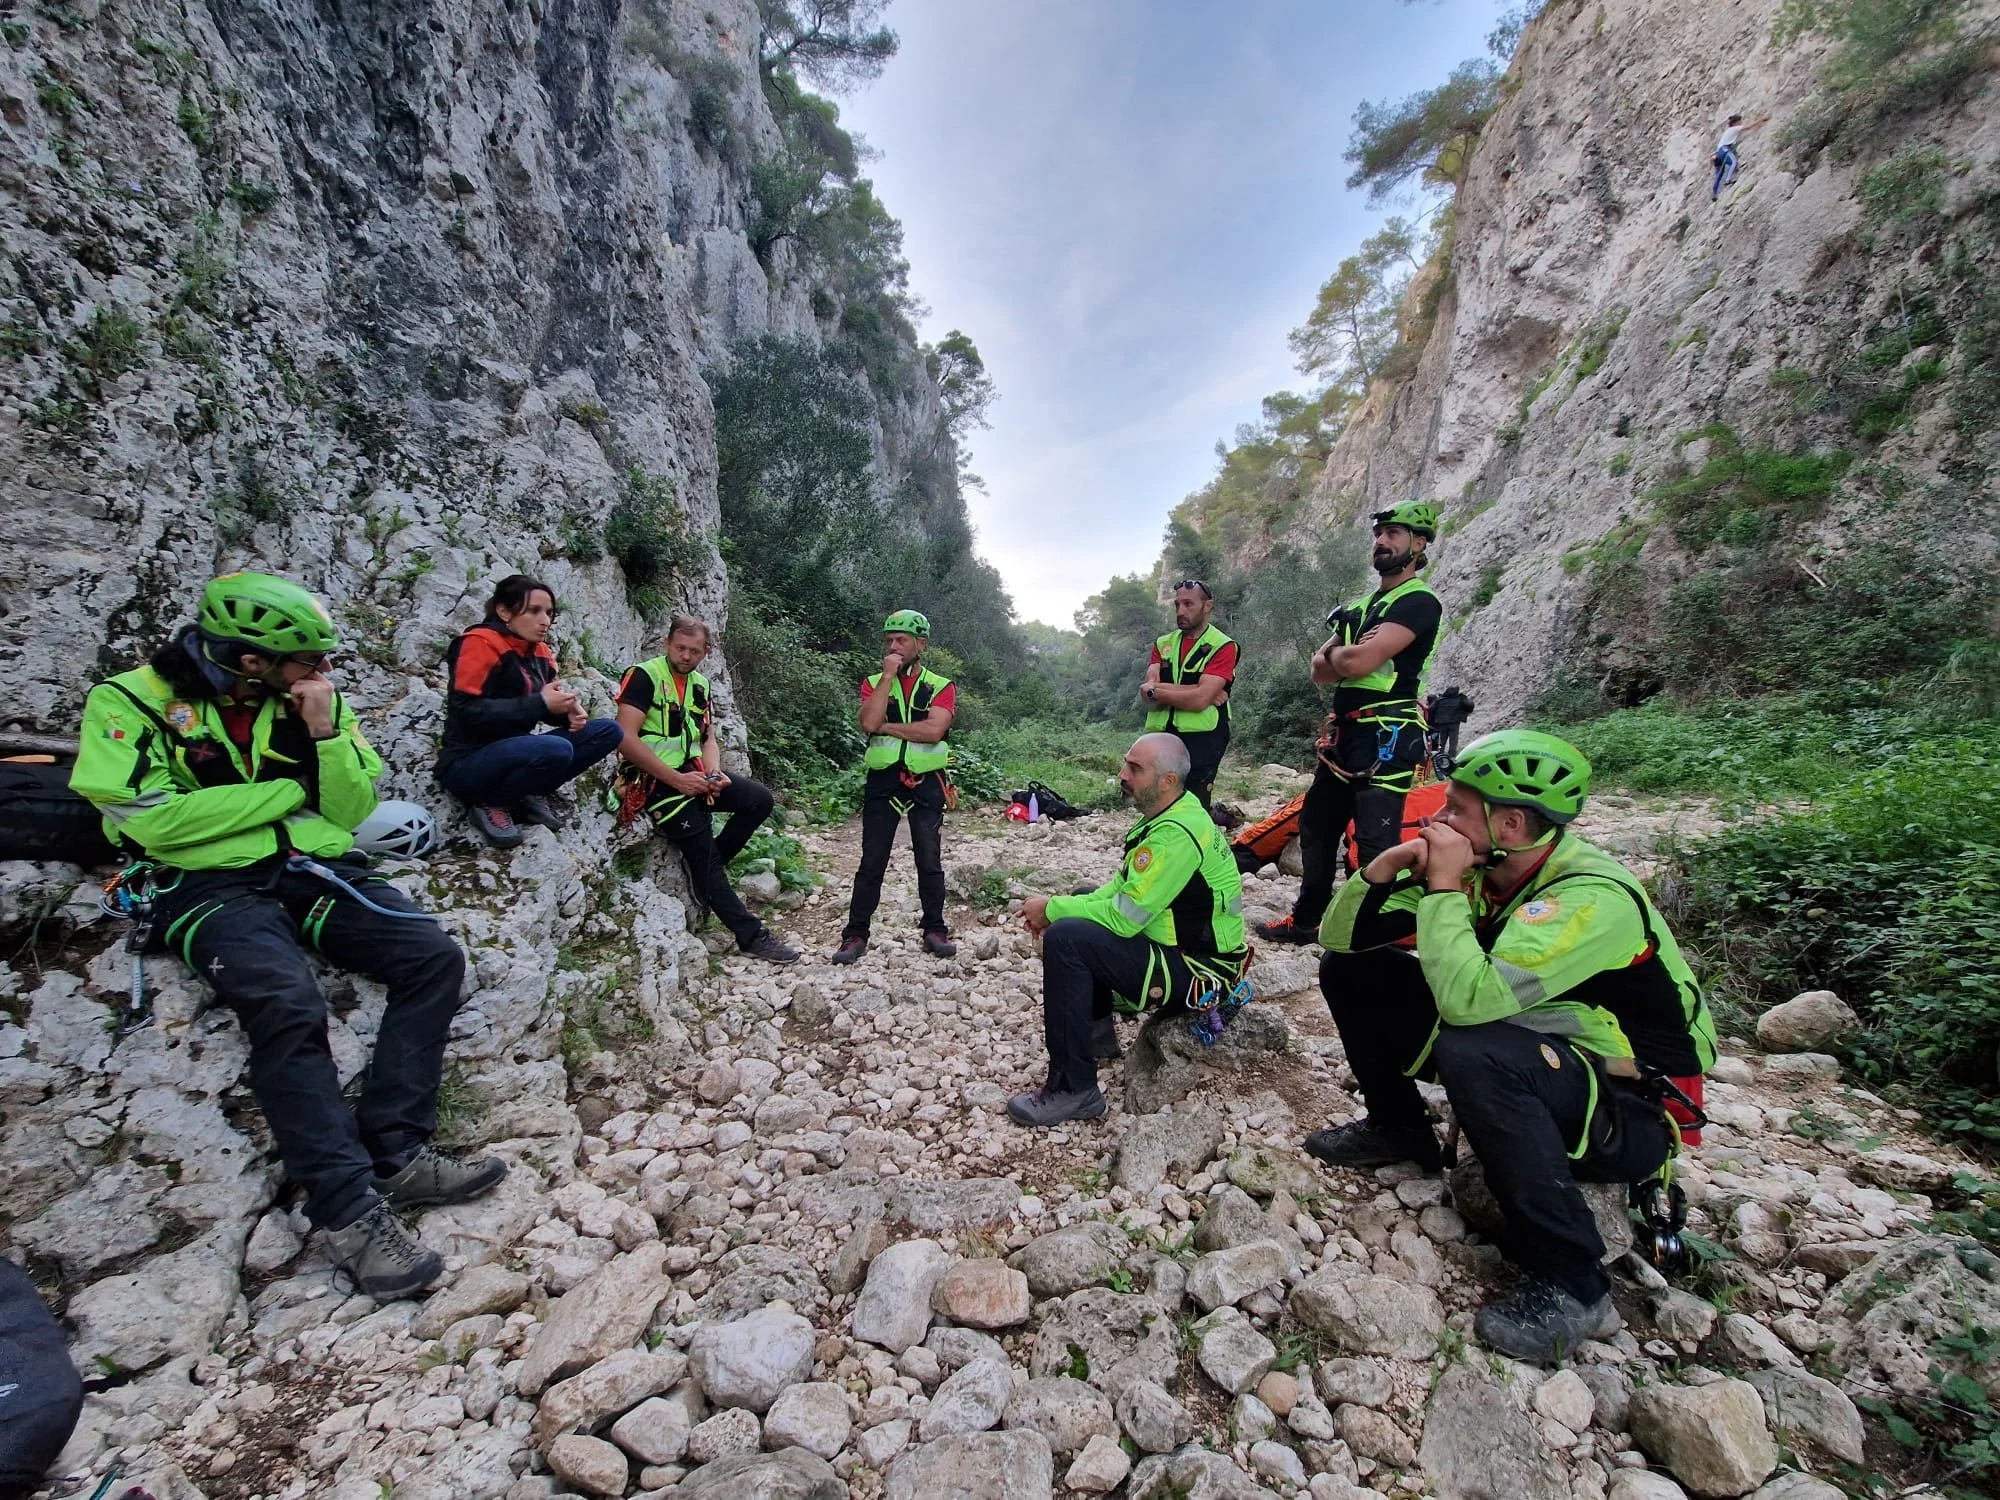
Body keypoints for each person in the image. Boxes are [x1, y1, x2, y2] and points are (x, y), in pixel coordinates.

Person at [70, 572, 506, 1300]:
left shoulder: (313, 701)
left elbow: (350, 809)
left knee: (432, 957)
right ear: (252, 661)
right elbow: (153, 823)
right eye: (309, 658)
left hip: (306, 864)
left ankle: (398, 1151)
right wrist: (288, 793)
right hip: (199, 883)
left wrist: (324, 736)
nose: (323, 670)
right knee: (285, 1002)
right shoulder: (129, 701)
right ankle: (348, 1210)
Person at [1313, 730, 1717, 1362]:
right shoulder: (1488, 869)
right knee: (1352, 971)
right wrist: (1384, 867)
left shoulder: (1592, 898)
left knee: (1474, 1046)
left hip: (1631, 1104)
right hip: (1543, 1050)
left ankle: (1576, 1281)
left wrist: (1442, 890)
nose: (1439, 820)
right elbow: (1338, 938)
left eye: (1455, 809)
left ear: (1511, 823)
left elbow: (1468, 1003)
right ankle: (1399, 1129)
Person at [1010, 732, 1249, 1126]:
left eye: (1135, 768)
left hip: (1201, 972)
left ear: (1167, 781)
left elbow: (1125, 917)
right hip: (1188, 953)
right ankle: (1096, 1037)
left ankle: (1074, 1089)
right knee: (1082, 901)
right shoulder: (1175, 812)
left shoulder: (1175, 834)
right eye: (1126, 763)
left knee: (1067, 939)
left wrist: (1051, 910)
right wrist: (1061, 905)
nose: (1123, 774)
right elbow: (1119, 891)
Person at [1257, 501, 1443, 946]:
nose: (1381, 541)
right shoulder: (1360, 607)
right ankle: (1307, 922)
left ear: (1418, 544)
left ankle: (1364, 934)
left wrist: (1344, 654)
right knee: (1317, 827)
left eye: (1393, 534)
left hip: (1387, 736)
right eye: (1379, 534)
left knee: (1375, 841)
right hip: (1347, 734)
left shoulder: (1418, 602)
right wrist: (1349, 655)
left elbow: (1355, 662)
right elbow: (1318, 670)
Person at [611, 616, 800, 964]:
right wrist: (676, 780)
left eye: (694, 651)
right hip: (652, 779)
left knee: (758, 800)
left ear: (706, 652)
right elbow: (624, 738)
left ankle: (709, 869)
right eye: (680, 648)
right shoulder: (644, 676)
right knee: (703, 857)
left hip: (692, 773)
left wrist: (713, 773)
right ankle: (750, 935)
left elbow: (707, 737)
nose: (686, 656)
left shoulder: (699, 684)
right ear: (667, 644)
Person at [436, 575, 624, 848]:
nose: (544, 620)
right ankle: (491, 801)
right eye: (534, 611)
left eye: (549, 612)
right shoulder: (480, 643)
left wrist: (566, 712)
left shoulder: (539, 652)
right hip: (468, 761)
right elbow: (465, 709)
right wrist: (541, 703)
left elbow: (540, 706)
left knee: (609, 731)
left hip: (517, 751)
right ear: (504, 611)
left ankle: (521, 793)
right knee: (556, 749)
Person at [833, 610, 958, 964]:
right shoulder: (875, 682)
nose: (894, 646)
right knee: (872, 859)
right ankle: (855, 934)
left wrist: (887, 728)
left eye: (901, 640)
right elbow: (868, 722)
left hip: (927, 780)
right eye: (889, 640)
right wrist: (888, 677)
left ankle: (934, 929)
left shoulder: (940, 685)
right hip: (884, 779)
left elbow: (933, 731)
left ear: (921, 644)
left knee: (929, 858)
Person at [1141, 578, 1240, 811]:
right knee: (1158, 799)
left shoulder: (1222, 645)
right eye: (1177, 605)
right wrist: (1196, 691)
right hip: (1163, 734)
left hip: (1203, 737)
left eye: (1188, 604)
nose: (1180, 611)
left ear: (1207, 606)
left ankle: (1203, 831)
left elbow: (1199, 701)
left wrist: (1163, 691)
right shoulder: (1162, 644)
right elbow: (1147, 691)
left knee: (1194, 803)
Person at [1711, 112, 1767, 200]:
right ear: (1736, 122)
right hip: (1724, 149)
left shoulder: (1728, 132)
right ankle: (1728, 179)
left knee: (1719, 174)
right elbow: (1748, 127)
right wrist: (1761, 119)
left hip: (1718, 153)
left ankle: (1714, 193)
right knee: (1733, 161)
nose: (1741, 123)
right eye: (1740, 121)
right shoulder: (1734, 128)